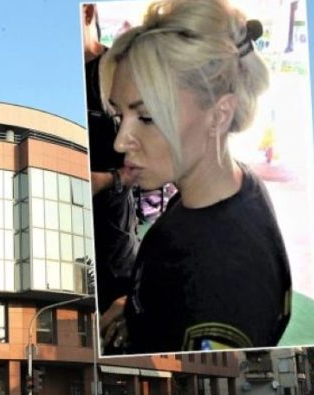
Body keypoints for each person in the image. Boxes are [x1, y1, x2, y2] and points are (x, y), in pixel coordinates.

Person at [98, 0, 291, 354]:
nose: (120, 141)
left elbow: (199, 376)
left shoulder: (223, 289)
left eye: (147, 117)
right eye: (119, 115)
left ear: (219, 115)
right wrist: (138, 312)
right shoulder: (216, 190)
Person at [83, 4, 140, 327]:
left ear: (87, 12)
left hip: (112, 231)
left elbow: (150, 163)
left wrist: (103, 181)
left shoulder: (119, 73)